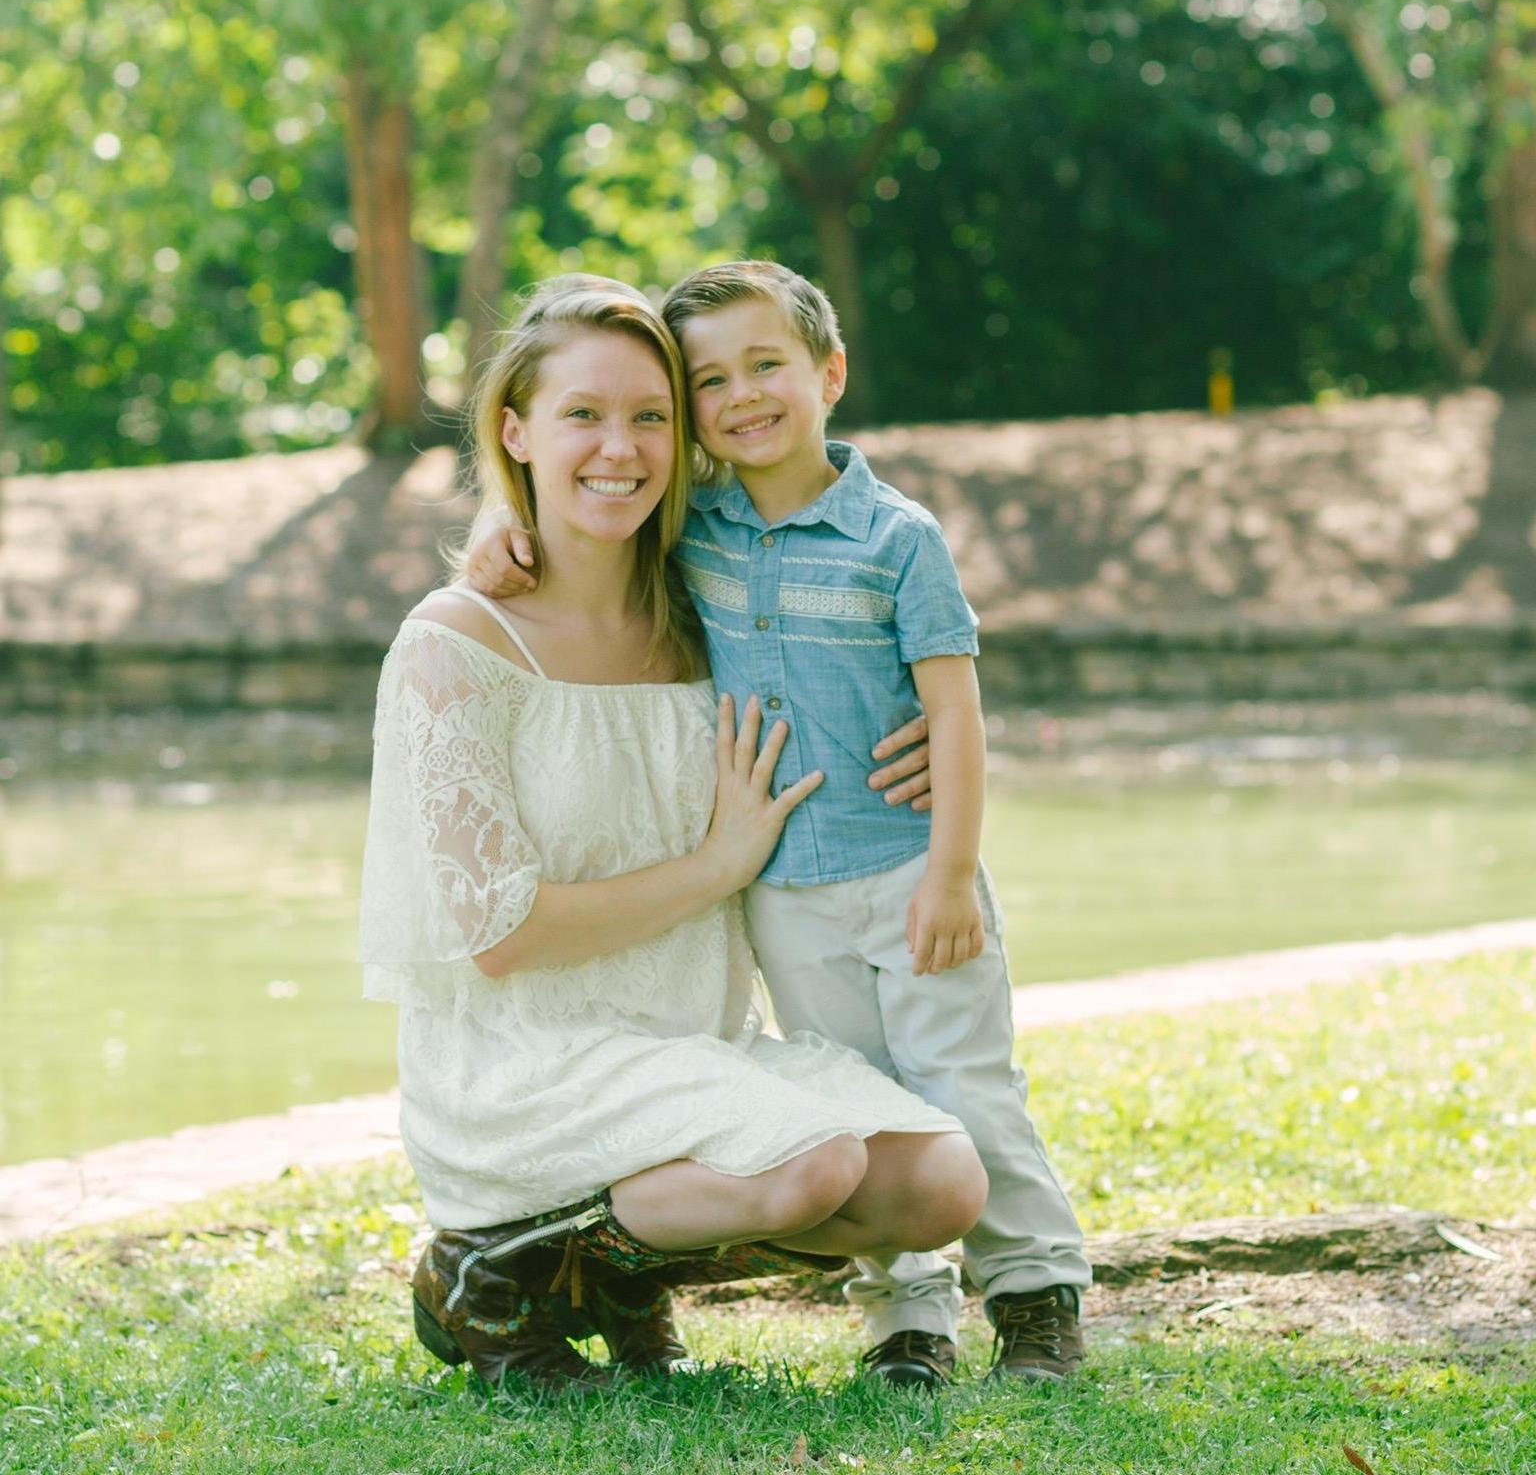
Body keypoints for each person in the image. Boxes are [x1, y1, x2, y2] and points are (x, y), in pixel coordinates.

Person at [358, 274, 988, 1394]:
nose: (621, 448)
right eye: (582, 417)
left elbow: (874, 665)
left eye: (651, 416)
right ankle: (488, 1262)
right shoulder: (456, 645)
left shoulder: (703, 608)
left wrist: (928, 738)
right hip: (528, 1063)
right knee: (813, 1168)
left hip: (693, 1042)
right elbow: (498, 935)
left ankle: (609, 1273)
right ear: (515, 430)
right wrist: (717, 866)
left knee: (941, 1182)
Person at [467, 261, 1091, 1388]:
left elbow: (956, 711)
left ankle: (1038, 1296)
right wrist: (492, 539)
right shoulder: (690, 531)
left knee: (967, 1088)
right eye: (710, 380)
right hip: (784, 892)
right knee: (859, 1090)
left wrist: (952, 871)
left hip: (910, 871)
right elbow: (576, 530)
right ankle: (907, 1324)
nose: (744, 394)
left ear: (829, 373)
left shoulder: (897, 539)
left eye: (768, 365)